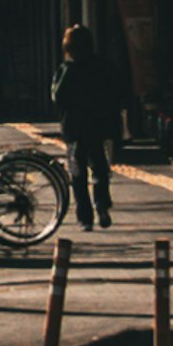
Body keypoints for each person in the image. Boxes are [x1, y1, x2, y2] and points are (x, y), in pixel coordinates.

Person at [58, 19, 120, 229]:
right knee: (100, 168)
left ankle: (85, 217)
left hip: (74, 128)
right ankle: (102, 204)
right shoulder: (103, 66)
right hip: (98, 126)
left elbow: (58, 97)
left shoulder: (68, 68)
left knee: (78, 173)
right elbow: (116, 94)